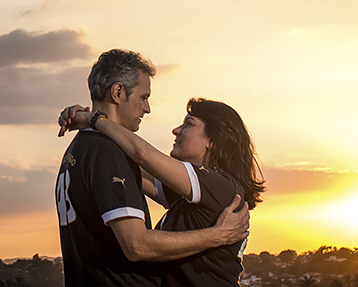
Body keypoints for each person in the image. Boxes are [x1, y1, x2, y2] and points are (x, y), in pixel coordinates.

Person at [56, 50, 250, 287]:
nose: (175, 130)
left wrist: (94, 120)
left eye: (188, 124)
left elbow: (142, 155)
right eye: (144, 97)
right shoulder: (107, 153)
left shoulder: (220, 187)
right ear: (118, 92)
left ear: (213, 139)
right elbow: (138, 164)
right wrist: (92, 121)